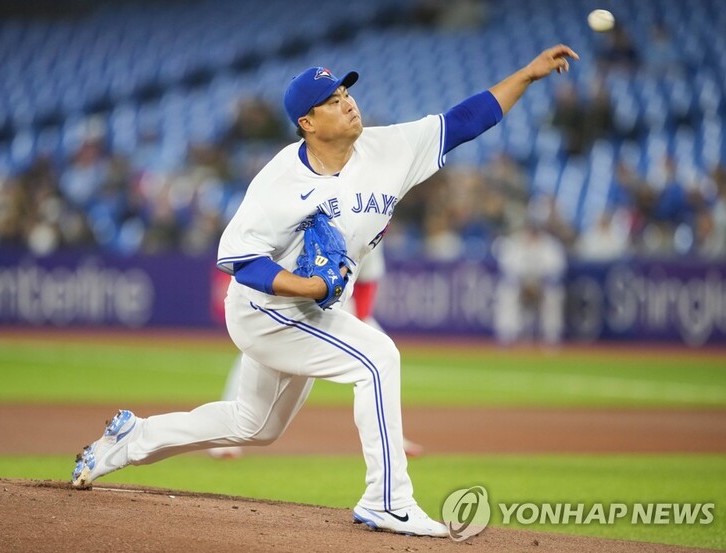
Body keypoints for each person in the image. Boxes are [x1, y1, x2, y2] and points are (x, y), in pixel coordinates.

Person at [72, 45, 579, 538]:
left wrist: (527, 75)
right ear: (307, 123)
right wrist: (309, 285)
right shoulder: (281, 181)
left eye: (346, 92)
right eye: (332, 100)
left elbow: (465, 121)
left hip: (307, 310)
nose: (347, 102)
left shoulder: (387, 149)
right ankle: (389, 501)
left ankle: (132, 438)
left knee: (255, 425)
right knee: (377, 357)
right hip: (265, 309)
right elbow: (237, 259)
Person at [207, 244, 425, 460]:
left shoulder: (372, 223)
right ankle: (223, 439)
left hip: (341, 308)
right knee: (254, 355)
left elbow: (368, 281)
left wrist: (361, 321)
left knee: (382, 357)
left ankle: (393, 440)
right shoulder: (308, 215)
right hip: (291, 305)